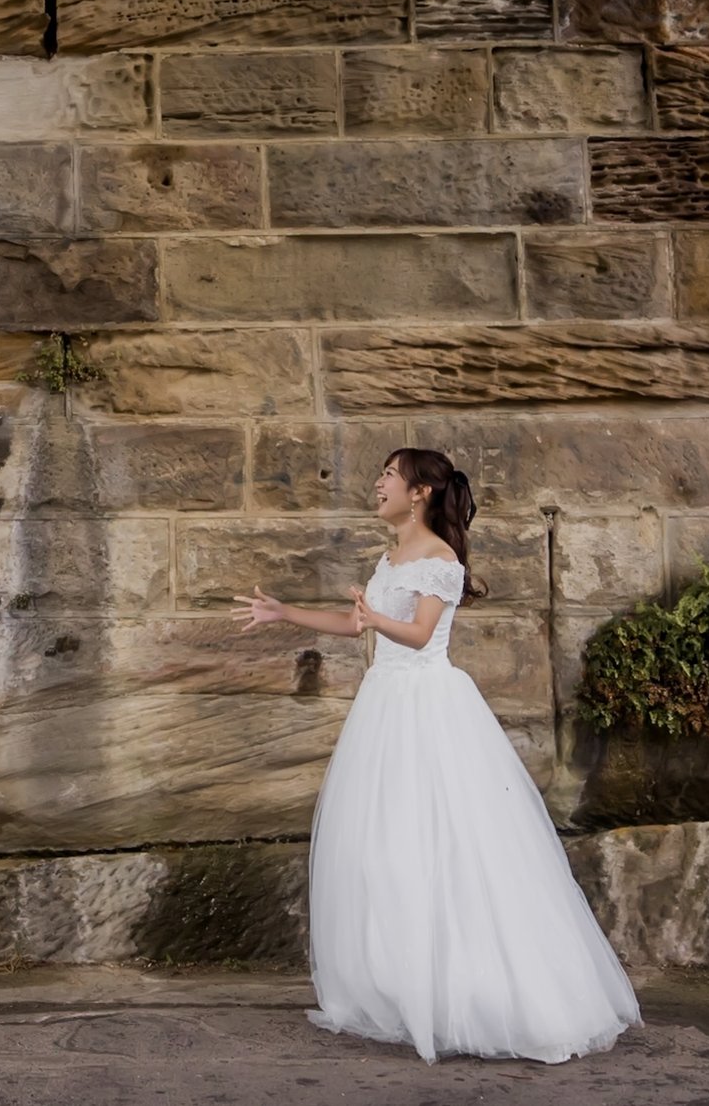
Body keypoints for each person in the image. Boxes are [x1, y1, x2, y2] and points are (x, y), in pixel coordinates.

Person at [233, 447, 640, 1064]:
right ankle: (400, 987)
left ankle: (471, 992)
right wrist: (284, 611)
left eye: (389, 476)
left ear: (420, 492)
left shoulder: (440, 559)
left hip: (426, 704)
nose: (378, 484)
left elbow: (421, 634)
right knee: (382, 848)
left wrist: (376, 618)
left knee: (445, 844)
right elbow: (355, 624)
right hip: (385, 705)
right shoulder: (390, 556)